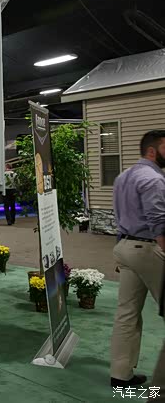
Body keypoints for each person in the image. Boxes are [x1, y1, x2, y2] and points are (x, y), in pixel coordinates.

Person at [110, 130, 165, 391]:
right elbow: (159, 222)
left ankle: (120, 375)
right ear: (152, 151)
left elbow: (120, 215)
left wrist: (122, 250)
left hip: (126, 247)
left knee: (127, 313)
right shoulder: (153, 179)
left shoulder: (123, 177)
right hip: (148, 249)